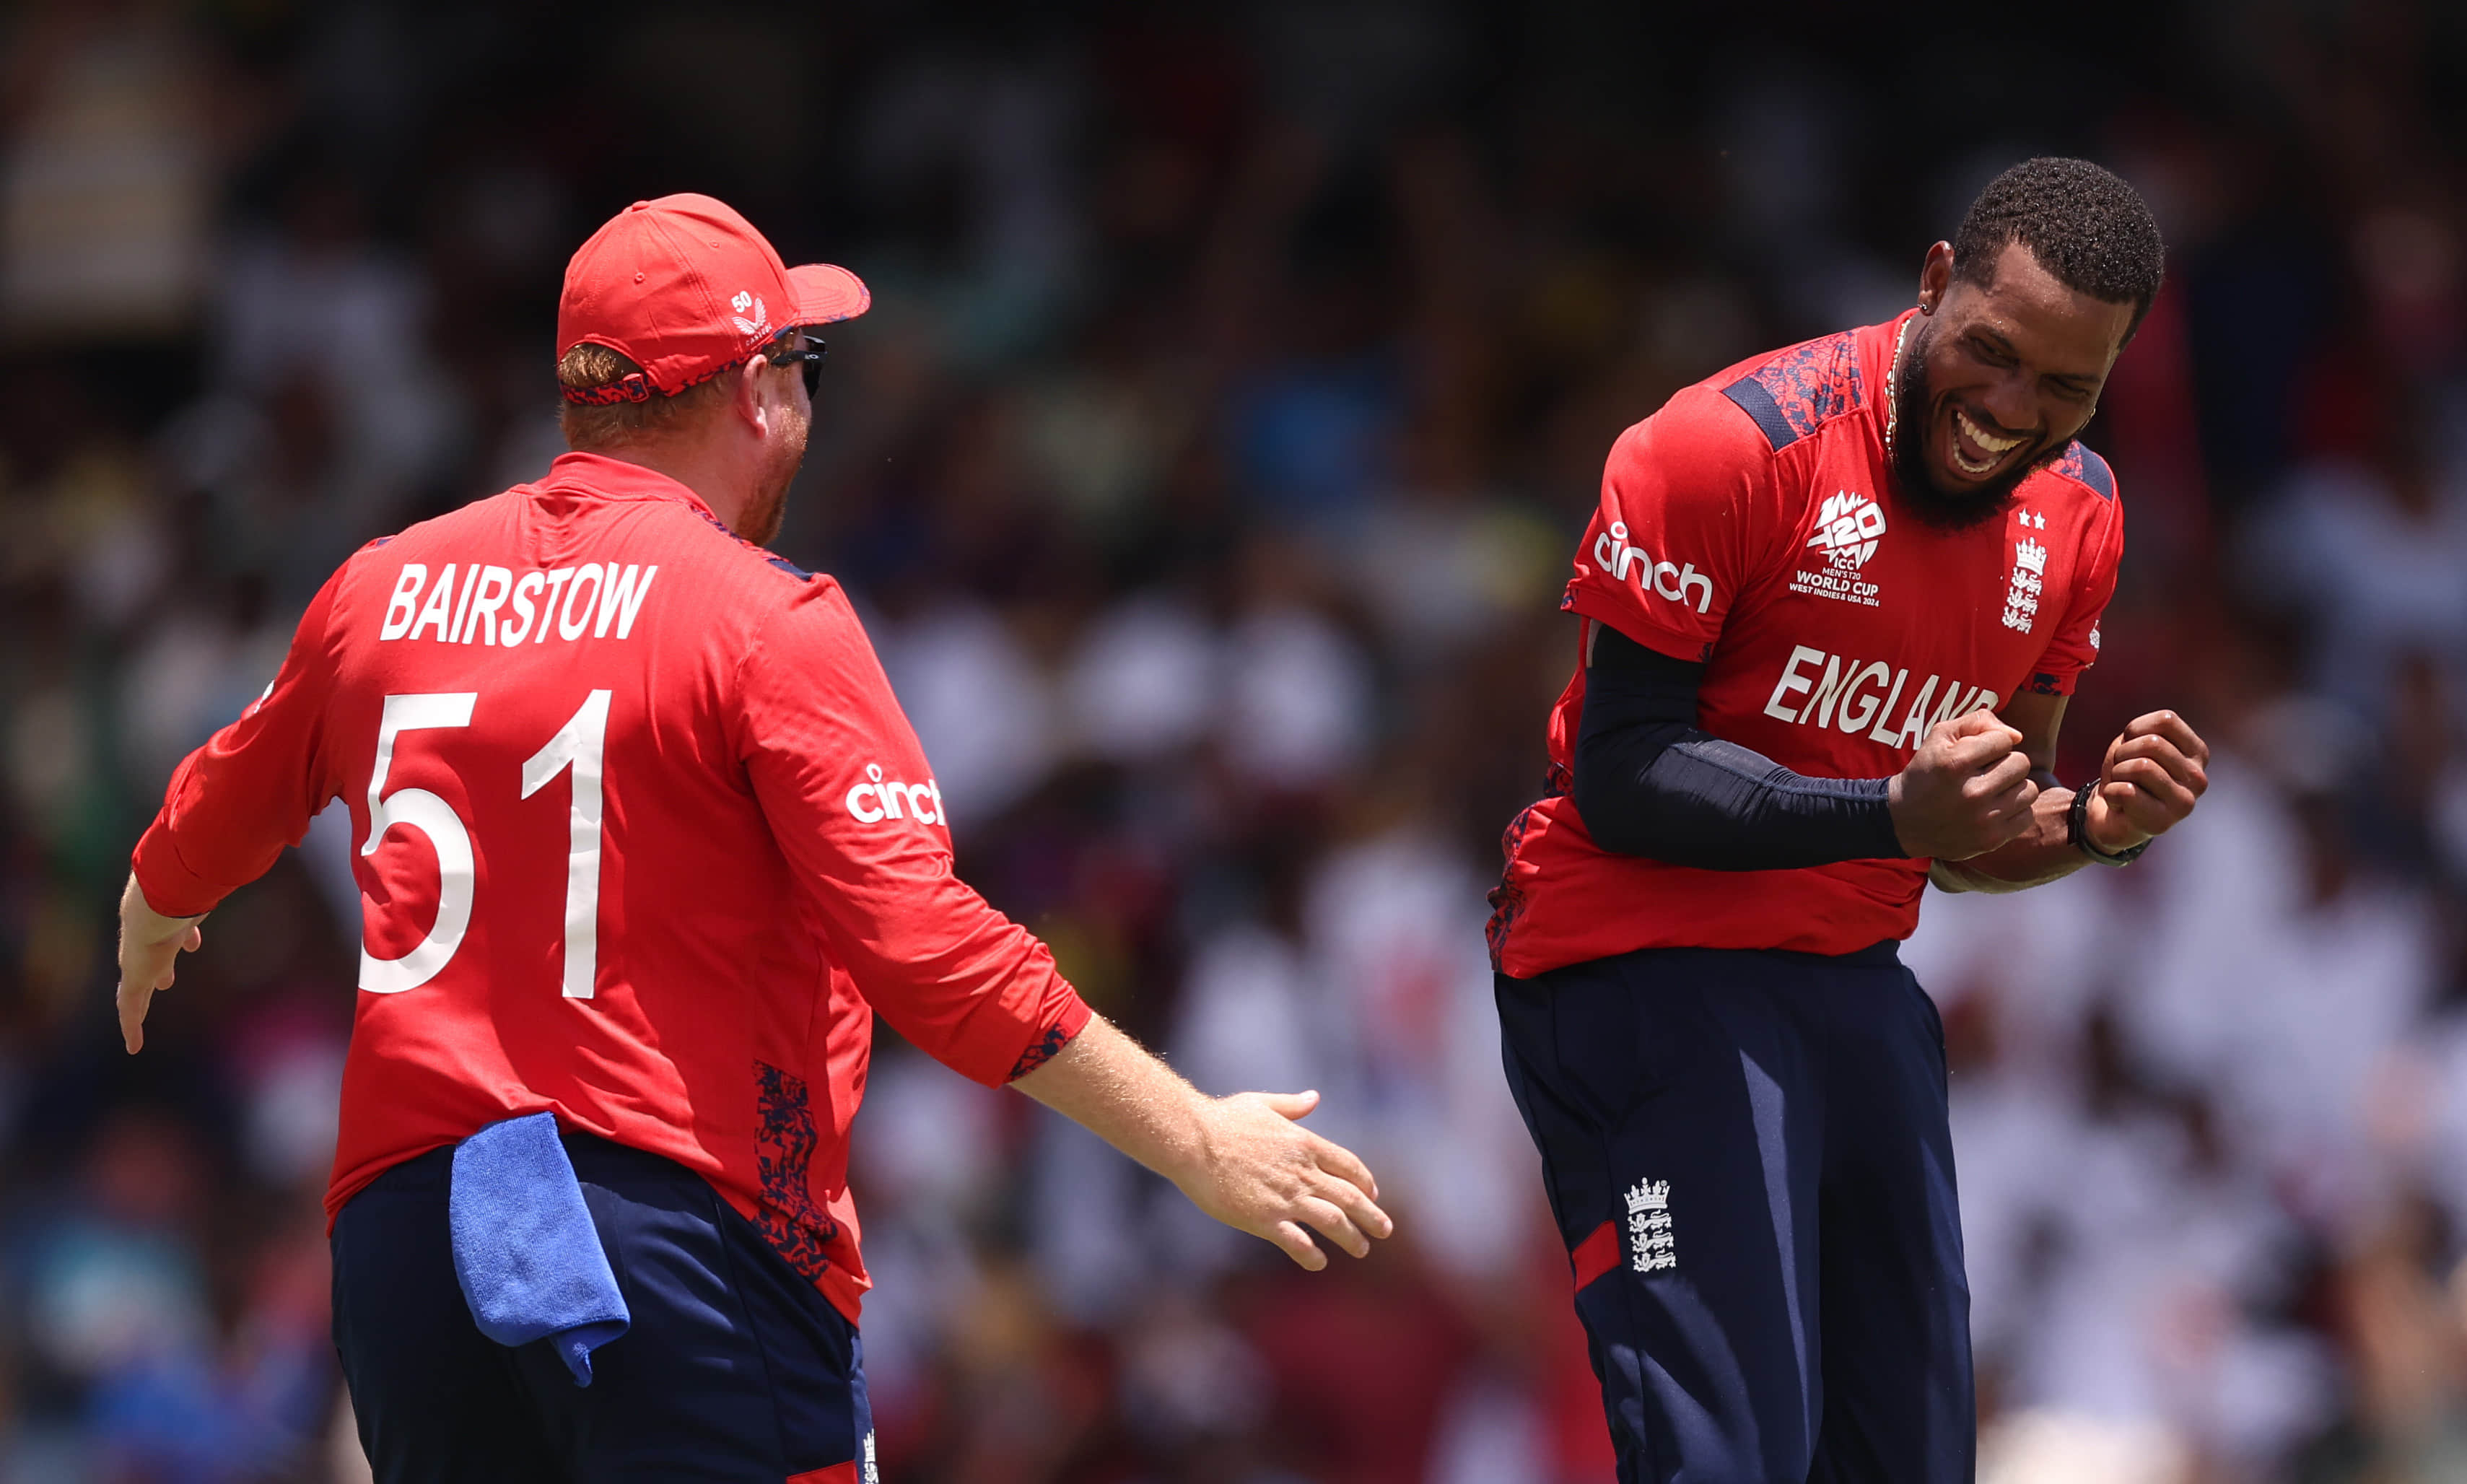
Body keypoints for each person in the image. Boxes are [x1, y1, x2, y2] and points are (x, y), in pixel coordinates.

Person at [113, 193, 1391, 1483]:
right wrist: (1198, 1142)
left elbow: (214, 809)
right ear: (750, 391)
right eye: (802, 366)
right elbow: (932, 956)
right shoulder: (766, 621)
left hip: (410, 1251)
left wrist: (154, 909)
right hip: (670, 1234)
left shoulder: (381, 588)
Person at [1485, 157, 2210, 1483]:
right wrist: (1889, 810)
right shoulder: (1722, 447)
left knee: (1911, 1459)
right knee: (1730, 1457)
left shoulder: (2081, 516)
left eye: (2065, 387)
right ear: (1933, 282)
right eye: (1989, 354)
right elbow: (1621, 772)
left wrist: (2096, 828)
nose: (2009, 411)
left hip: (1853, 988)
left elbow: (1977, 832)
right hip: (1638, 974)